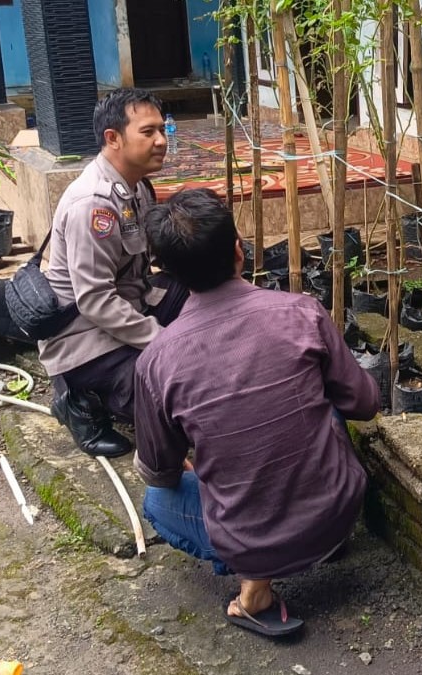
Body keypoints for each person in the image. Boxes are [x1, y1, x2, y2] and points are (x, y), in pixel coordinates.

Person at [132, 188, 379, 638]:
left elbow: (161, 474)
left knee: (156, 501)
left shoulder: (157, 361)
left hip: (253, 541)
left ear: (168, 274)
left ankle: (254, 595)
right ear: (239, 251)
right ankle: (325, 540)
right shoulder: (301, 312)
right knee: (326, 401)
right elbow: (364, 403)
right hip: (340, 512)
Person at [40, 88, 187, 458]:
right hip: (85, 337)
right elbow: (94, 300)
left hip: (130, 307)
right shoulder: (94, 205)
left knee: (199, 285)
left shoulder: (136, 188)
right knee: (173, 397)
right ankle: (80, 399)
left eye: (161, 130)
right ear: (113, 138)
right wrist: (161, 339)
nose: (160, 141)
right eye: (148, 132)